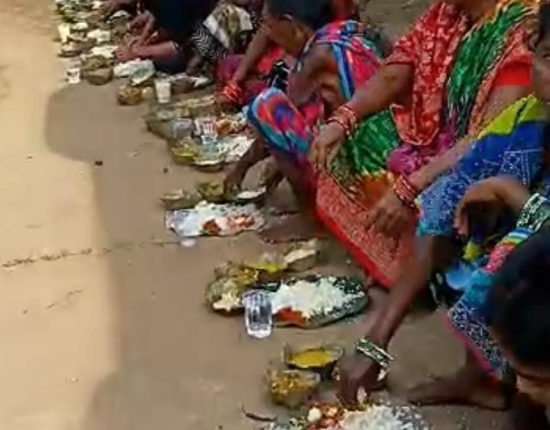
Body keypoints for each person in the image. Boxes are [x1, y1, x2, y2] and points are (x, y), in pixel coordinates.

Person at [338, 4, 550, 427]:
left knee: (511, 254)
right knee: (445, 204)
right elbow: (457, 184)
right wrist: (375, 342)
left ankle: (530, 391)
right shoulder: (525, 120)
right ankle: (492, 380)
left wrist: (509, 194)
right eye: (548, 57)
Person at [309, 0, 536, 285]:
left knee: (440, 191)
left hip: (482, 163)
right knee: (354, 137)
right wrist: (343, 119)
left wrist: (410, 187)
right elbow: (398, 69)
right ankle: (393, 258)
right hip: (434, 143)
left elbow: (488, 137)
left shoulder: (521, 30)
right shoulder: (447, 13)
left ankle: (420, 271)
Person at [223, 0, 392, 236]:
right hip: (392, 160)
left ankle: (311, 220)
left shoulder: (315, 57)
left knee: (267, 106)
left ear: (292, 26)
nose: (271, 37)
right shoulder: (347, 33)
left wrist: (241, 168)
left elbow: (282, 123)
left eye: (270, 27)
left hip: (372, 176)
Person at [217, 0, 360, 107]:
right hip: (299, 45)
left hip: (316, 57)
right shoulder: (282, 22)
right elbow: (266, 30)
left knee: (266, 106)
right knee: (231, 65)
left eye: (269, 26)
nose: (267, 31)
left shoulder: (321, 53)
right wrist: (235, 82)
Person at [115, 0, 218, 73]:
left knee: (172, 62)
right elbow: (155, 15)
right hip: (186, 31)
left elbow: (177, 46)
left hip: (208, 41)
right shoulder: (155, 3)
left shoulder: (174, 4)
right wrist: (141, 41)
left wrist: (137, 52)